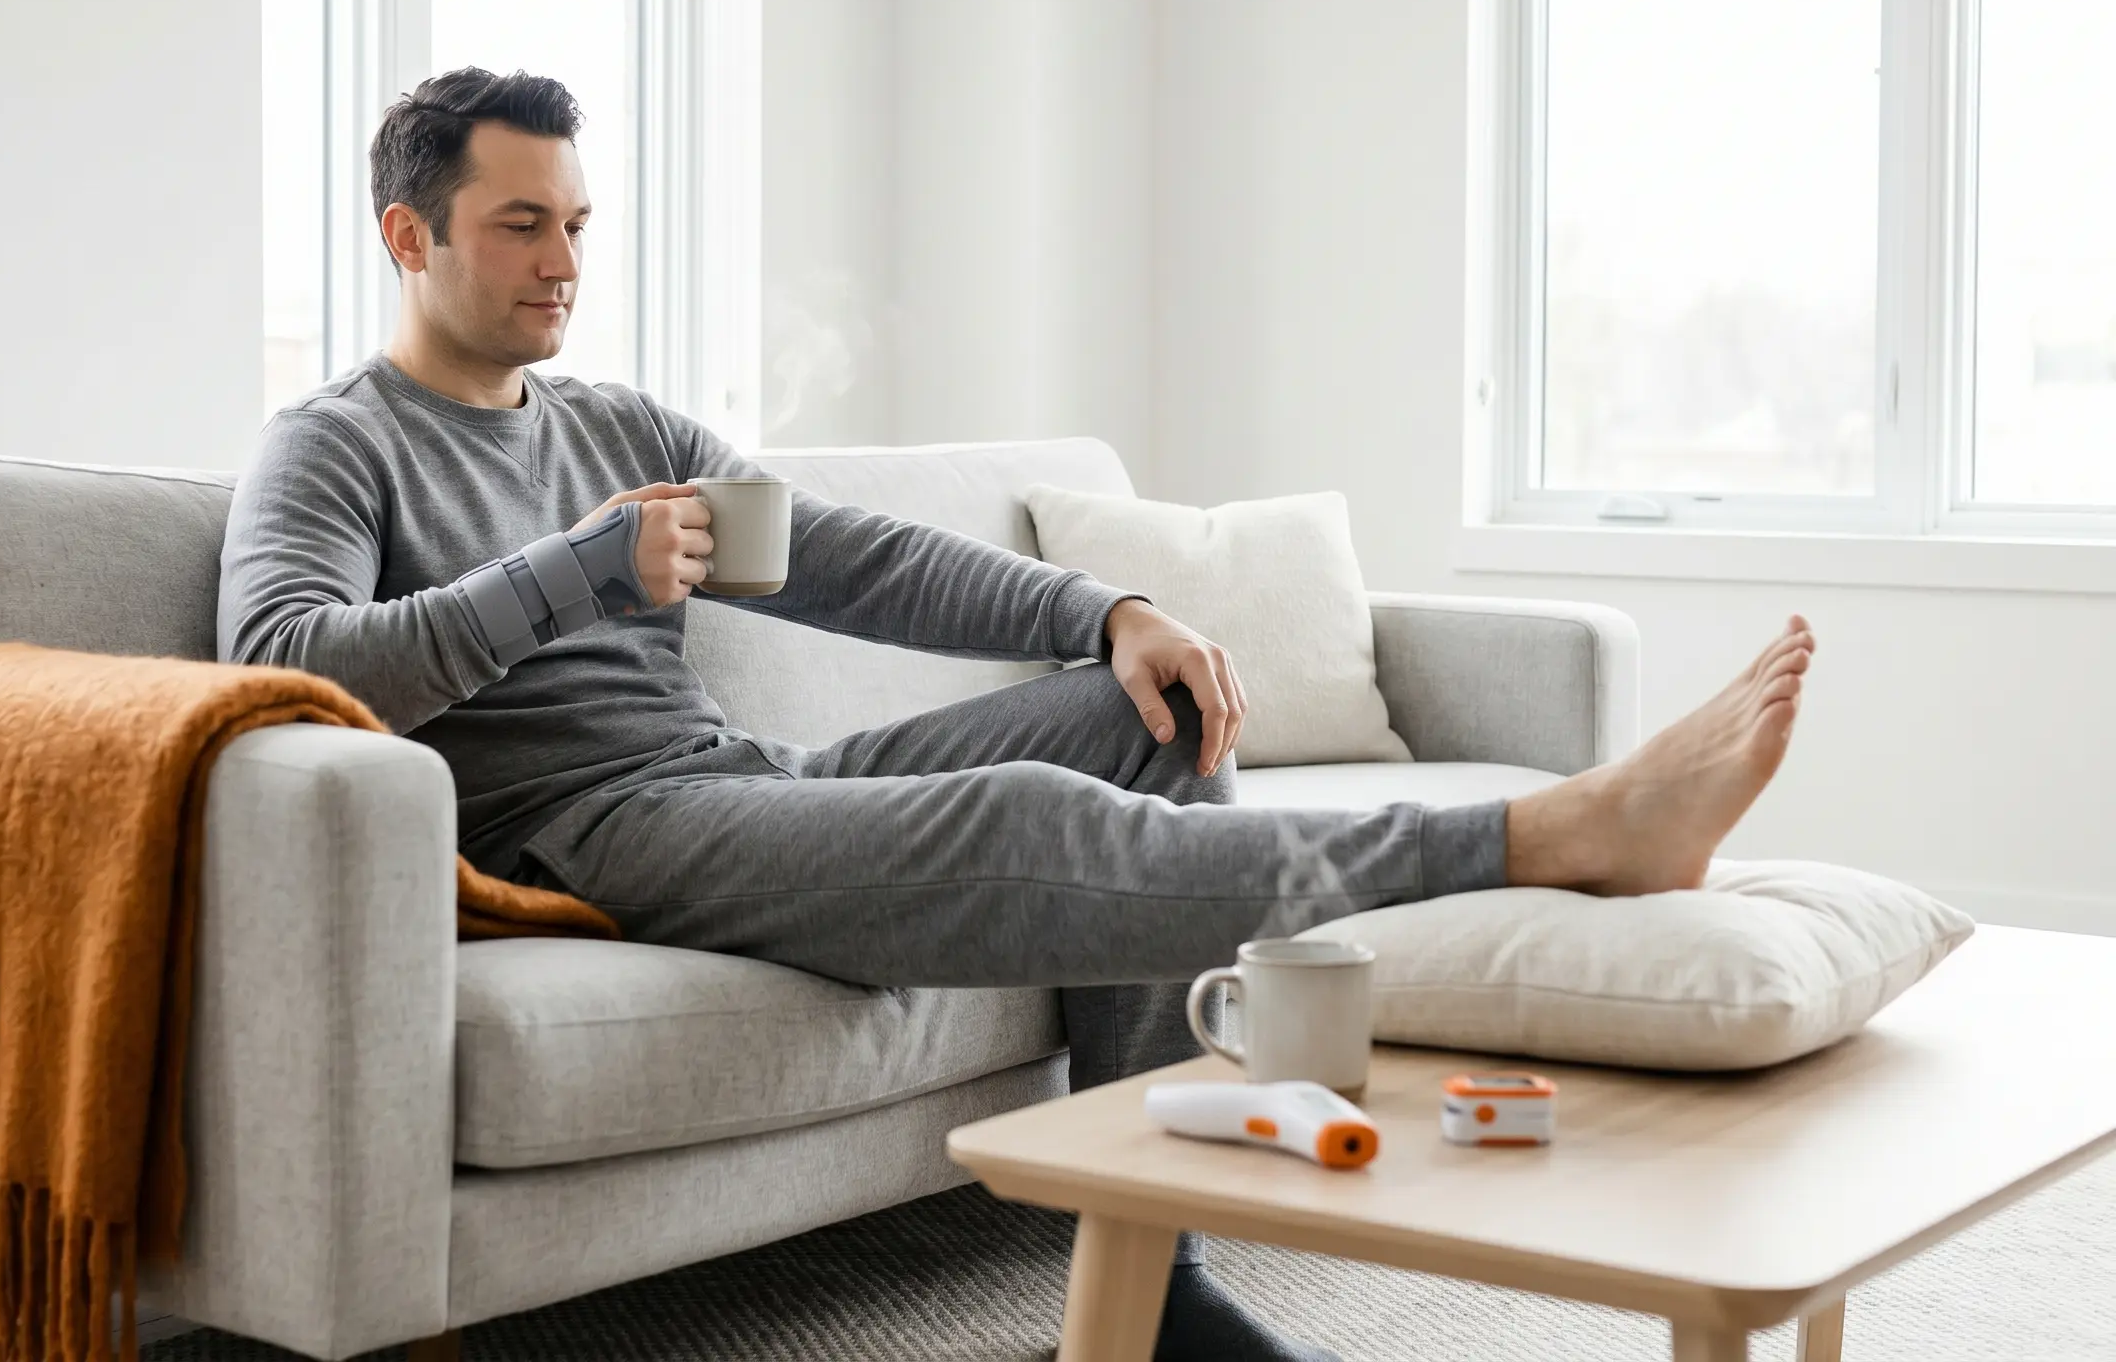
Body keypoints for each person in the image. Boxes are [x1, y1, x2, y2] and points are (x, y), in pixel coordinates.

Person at [219, 68, 1814, 1362]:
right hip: (589, 834)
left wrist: (1109, 613)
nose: (566, 261)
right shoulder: (337, 448)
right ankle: (1547, 835)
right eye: (520, 227)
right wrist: (574, 574)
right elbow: (293, 667)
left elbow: (864, 563)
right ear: (408, 237)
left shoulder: (621, 420)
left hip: (740, 783)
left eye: (579, 221)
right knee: (1034, 826)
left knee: (1154, 722)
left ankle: (1149, 1275)